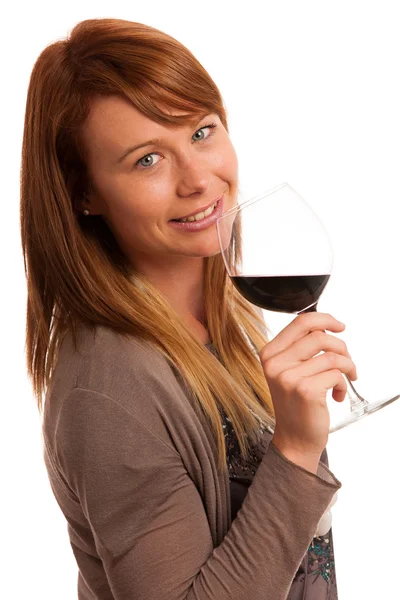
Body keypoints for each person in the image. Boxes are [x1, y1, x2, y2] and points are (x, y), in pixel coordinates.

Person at [20, 17, 357, 600]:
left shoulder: (222, 311)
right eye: (147, 160)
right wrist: (297, 450)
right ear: (85, 194)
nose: (200, 179)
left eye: (202, 132)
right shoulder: (109, 390)